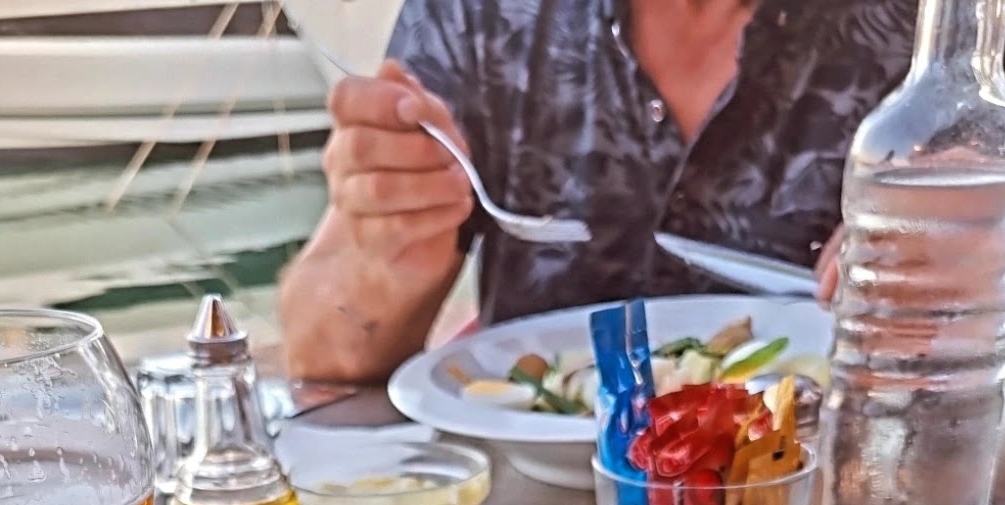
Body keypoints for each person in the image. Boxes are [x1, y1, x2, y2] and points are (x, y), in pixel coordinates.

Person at [278, 0, 917, 383]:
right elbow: (318, 353)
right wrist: (384, 258)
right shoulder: (482, 14)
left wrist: (951, 282)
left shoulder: (932, 36)